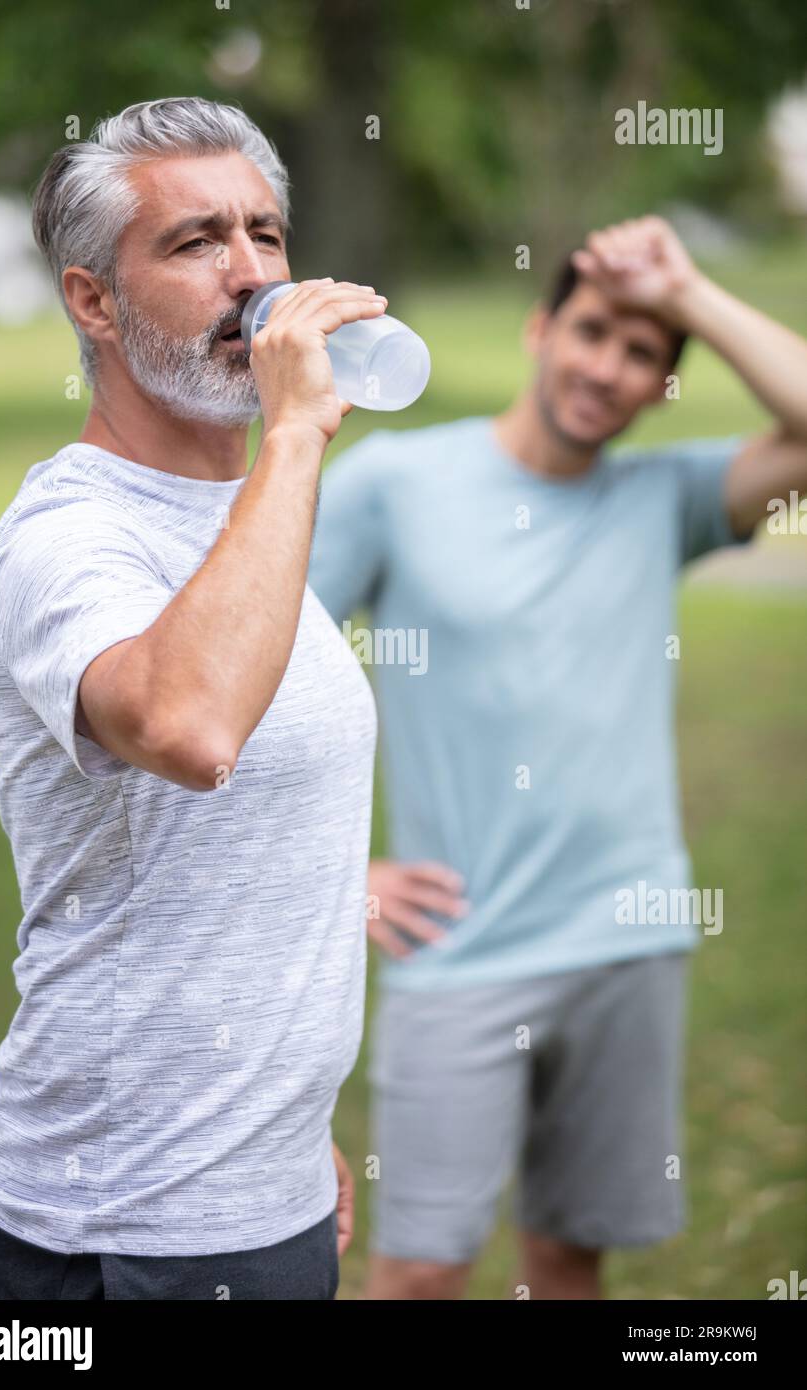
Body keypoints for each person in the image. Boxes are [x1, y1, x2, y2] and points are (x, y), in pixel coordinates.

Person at [308, 215, 807, 1299]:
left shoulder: (663, 498)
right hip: (461, 949)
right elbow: (257, 674)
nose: (608, 369)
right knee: (418, 1273)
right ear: (540, 326)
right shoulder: (396, 482)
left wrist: (689, 295)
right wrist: (335, 877)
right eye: (590, 332)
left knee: (565, 1262)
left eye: (642, 353)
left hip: (627, 940)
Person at [0, 96, 387, 1300]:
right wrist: (297, 431)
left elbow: (251, 853)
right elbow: (191, 730)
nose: (249, 274)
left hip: (253, 1193)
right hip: (121, 1227)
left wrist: (283, 1130)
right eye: (196, 242)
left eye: (265, 232)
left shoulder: (245, 518)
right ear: (92, 299)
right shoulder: (68, 536)